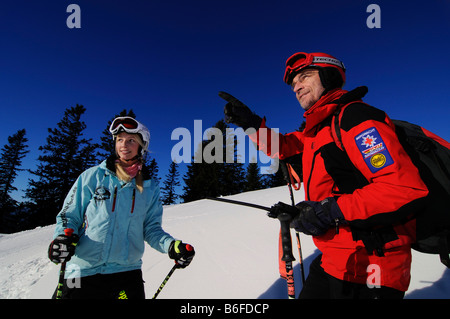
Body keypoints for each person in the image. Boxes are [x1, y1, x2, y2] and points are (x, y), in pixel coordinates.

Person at [220, 52, 429, 299]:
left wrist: (326, 211)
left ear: (329, 77)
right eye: (293, 84)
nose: (296, 87)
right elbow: (283, 147)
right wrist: (251, 124)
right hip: (335, 260)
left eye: (304, 77)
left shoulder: (355, 118)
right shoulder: (317, 131)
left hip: (372, 267)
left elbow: (403, 188)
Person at [48, 116, 195, 299]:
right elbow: (69, 215)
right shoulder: (92, 177)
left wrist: (171, 246)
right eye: (120, 140)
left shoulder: (150, 188)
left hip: (126, 274)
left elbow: (151, 229)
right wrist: (62, 238)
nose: (124, 145)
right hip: (82, 269)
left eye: (131, 140)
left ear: (141, 146)